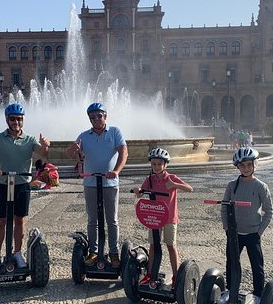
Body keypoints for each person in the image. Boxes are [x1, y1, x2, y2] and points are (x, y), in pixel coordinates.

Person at [0, 103, 50, 271]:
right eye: (12, 119)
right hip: (4, 184)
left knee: (19, 220)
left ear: (22, 120)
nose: (16, 122)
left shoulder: (29, 139)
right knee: (1, 221)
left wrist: (45, 145)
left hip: (22, 185)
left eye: (19, 119)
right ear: (7, 119)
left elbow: (42, 153)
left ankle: (18, 253)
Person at [67, 103, 128, 268]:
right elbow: (69, 153)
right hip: (91, 182)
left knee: (112, 219)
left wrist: (116, 170)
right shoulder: (84, 135)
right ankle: (93, 251)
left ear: (105, 116)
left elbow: (123, 152)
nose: (96, 119)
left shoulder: (115, 132)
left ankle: (114, 252)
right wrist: (73, 149)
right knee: (92, 219)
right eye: (92, 117)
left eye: (99, 115)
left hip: (110, 183)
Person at [218, 147, 273, 304]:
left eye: (249, 165)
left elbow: (269, 210)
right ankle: (229, 291)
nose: (246, 168)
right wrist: (226, 226)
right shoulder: (232, 185)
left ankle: (257, 296)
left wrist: (259, 231)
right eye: (242, 166)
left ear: (254, 165)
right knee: (232, 263)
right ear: (238, 167)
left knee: (257, 265)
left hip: (252, 233)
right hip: (234, 233)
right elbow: (224, 206)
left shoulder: (260, 186)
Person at [133, 148, 193, 287]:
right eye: (154, 164)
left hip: (170, 218)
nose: (156, 167)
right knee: (153, 245)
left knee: (171, 246)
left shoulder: (171, 178)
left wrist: (175, 185)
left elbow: (190, 188)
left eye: (159, 164)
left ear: (165, 165)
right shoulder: (150, 179)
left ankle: (176, 276)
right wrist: (138, 191)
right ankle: (150, 274)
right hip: (154, 217)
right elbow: (140, 194)